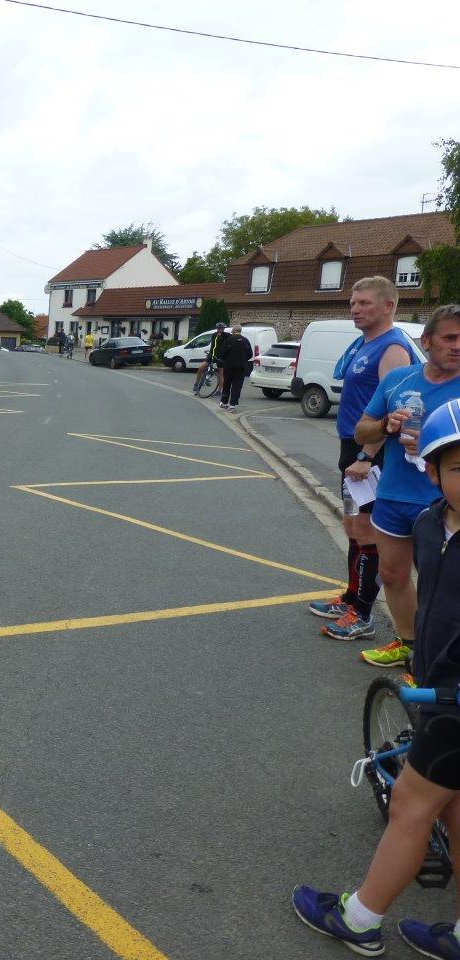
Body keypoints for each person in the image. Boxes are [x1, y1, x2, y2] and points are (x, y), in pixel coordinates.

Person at [292, 397, 460, 959]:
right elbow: (421, 597)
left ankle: (360, 918)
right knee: (454, 807)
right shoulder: (430, 521)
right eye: (459, 467)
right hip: (436, 679)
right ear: (431, 471)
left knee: (413, 805)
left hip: (456, 702)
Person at [350, 304, 460, 668]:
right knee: (393, 575)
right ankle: (409, 646)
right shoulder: (399, 380)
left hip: (443, 502)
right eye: (450, 337)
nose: (457, 346)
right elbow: (361, 430)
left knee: (442, 589)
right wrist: (386, 426)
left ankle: (437, 663)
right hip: (394, 496)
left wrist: (434, 443)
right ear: (427, 341)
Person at [309, 276, 416, 646]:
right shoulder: (364, 344)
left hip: (371, 454)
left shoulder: (393, 348)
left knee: (368, 533)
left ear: (388, 306)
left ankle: (364, 616)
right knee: (353, 529)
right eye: (353, 303)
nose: (355, 309)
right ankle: (352, 597)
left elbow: (395, 407)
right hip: (350, 447)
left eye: (365, 303)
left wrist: (366, 457)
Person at [217, 324, 253, 412]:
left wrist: (225, 359)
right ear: (240, 331)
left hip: (229, 366)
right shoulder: (245, 340)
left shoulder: (229, 340)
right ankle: (232, 405)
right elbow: (250, 354)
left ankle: (224, 402)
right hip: (241, 367)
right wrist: (243, 360)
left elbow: (222, 353)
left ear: (233, 331)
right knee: (237, 386)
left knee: (227, 384)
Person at [193, 322, 227, 395]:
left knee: (221, 374)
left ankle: (219, 391)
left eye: (222, 328)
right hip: (211, 355)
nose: (220, 330)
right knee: (201, 367)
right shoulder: (214, 335)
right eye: (219, 328)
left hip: (220, 357)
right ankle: (196, 383)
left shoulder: (226, 335)